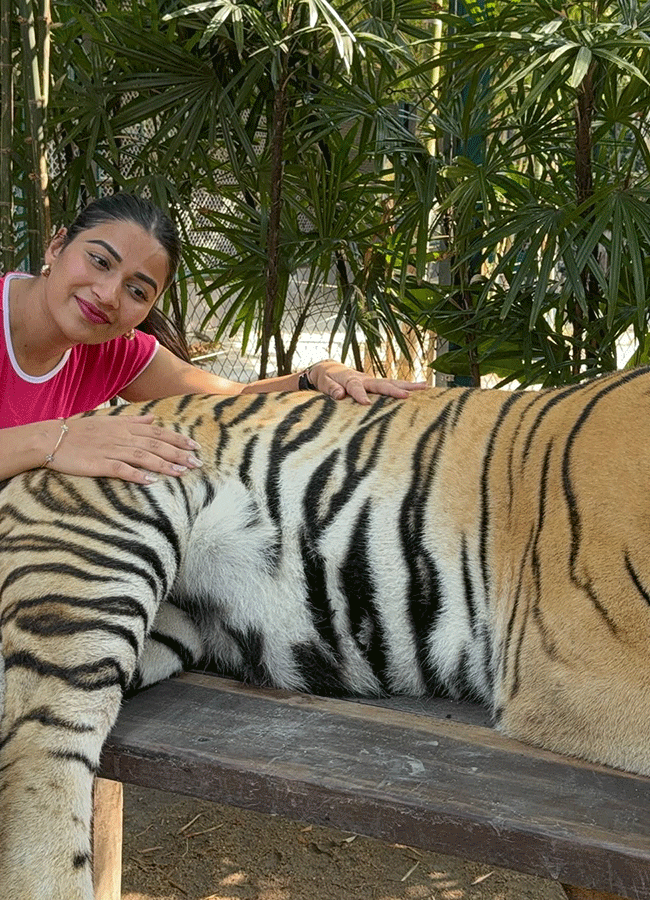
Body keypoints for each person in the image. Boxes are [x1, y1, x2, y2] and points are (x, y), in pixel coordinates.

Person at [0, 193, 426, 484]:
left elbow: (235, 396)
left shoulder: (116, 352)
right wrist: (56, 439)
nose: (108, 295)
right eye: (99, 261)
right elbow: (57, 441)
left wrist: (317, 375)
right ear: (57, 247)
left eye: (137, 291)